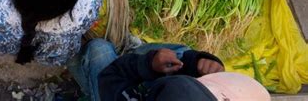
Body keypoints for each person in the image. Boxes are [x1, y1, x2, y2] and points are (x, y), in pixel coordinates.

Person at [68, 39, 270, 101]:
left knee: (98, 49)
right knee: (180, 53)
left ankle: (87, 89)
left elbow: (111, 77)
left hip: (112, 89)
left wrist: (147, 65)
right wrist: (196, 62)